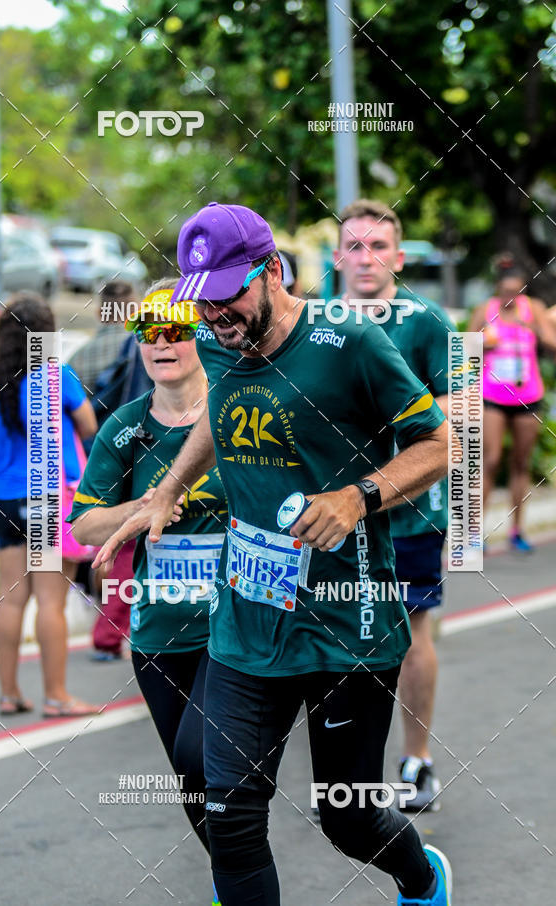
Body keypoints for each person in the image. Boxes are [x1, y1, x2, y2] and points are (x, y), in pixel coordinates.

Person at [93, 202, 454, 906]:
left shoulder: (348, 345)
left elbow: (439, 444)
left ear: (272, 270)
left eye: (229, 291)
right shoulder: (221, 341)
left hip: (346, 625)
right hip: (247, 622)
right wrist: (167, 490)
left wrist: (359, 497)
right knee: (226, 815)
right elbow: (222, 413)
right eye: (204, 296)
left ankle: (420, 875)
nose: (215, 313)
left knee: (349, 818)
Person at [68, 282, 228, 906]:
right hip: (159, 631)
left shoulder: (238, 411)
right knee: (192, 781)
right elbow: (82, 523)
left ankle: (240, 877)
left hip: (233, 623)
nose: (163, 342)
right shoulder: (126, 428)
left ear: (202, 336)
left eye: (177, 329)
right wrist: (147, 504)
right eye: (150, 331)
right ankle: (235, 878)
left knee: (201, 754)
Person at [333, 198, 454, 812]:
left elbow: (453, 431)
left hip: (409, 517)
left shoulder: (428, 325)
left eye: (378, 246)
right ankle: (350, 774)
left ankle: (417, 761)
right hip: (328, 519)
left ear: (399, 258)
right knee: (332, 639)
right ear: (337, 257)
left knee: (410, 635)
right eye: (354, 245)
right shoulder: (315, 321)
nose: (366, 257)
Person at [0, 292, 100, 718]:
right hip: (48, 497)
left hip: (5, 499)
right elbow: (89, 424)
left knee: (10, 600)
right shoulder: (56, 376)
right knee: (52, 603)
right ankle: (56, 696)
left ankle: (9, 694)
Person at [68, 279, 151, 660]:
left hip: (92, 460)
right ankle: (110, 632)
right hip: (136, 452)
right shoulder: (140, 345)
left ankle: (107, 622)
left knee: (107, 541)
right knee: (130, 545)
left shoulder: (80, 356)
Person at [469, 267, 556, 552]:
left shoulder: (533, 309)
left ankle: (517, 530)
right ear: (498, 290)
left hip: (527, 396)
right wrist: (483, 342)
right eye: (506, 293)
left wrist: (532, 329)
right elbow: (462, 350)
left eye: (516, 292)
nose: (511, 298)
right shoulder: (486, 309)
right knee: (490, 461)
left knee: (520, 464)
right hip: (492, 395)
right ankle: (475, 533)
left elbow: (551, 343)